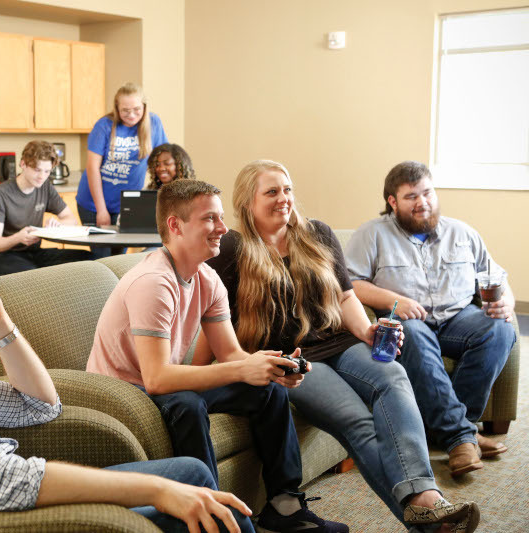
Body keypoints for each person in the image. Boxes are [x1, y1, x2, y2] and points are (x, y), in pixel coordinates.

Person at [0, 219, 255, 533]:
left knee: (193, 474)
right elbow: (1, 480)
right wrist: (156, 491)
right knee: (205, 510)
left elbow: (39, 405)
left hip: (5, 500)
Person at [207, 160, 480, 533]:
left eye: (287, 189)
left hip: (341, 340)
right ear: (247, 202)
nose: (283, 198)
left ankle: (425, 497)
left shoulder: (316, 233)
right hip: (293, 360)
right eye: (271, 192)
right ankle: (430, 521)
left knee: (393, 376)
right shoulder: (231, 249)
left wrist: (367, 330)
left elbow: (345, 296)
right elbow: (216, 318)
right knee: (357, 421)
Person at [87, 179, 349, 533]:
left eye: (221, 218)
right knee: (187, 405)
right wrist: (243, 369)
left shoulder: (207, 279)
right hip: (123, 394)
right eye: (210, 219)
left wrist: (268, 367)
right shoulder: (153, 283)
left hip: (158, 381)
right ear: (176, 226)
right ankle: (214, 518)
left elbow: (229, 353)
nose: (223, 229)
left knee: (268, 391)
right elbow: (157, 379)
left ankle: (284, 507)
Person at [344, 161, 516, 477]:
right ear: (392, 201)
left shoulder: (462, 232)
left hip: (457, 319)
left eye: (427, 193)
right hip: (409, 322)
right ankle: (461, 438)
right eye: (411, 196)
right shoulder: (371, 234)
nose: (422, 202)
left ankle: (456, 430)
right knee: (413, 332)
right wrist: (393, 301)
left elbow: (495, 276)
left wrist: (506, 301)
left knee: (500, 330)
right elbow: (349, 284)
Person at [75, 82, 168, 258]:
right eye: (125, 110)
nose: (131, 115)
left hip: (126, 205)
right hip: (93, 204)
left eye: (136, 109)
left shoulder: (153, 123)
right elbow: (92, 168)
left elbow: (163, 159)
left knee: (119, 259)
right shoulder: (104, 125)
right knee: (101, 259)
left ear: (144, 106)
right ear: (117, 108)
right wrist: (101, 210)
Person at [0, 140, 91, 276]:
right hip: (4, 257)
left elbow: (71, 220)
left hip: (35, 253)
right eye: (37, 170)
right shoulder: (0, 194)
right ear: (23, 164)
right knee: (36, 276)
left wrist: (58, 225)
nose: (42, 176)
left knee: (88, 259)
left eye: (47, 171)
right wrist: (18, 237)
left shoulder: (45, 187)